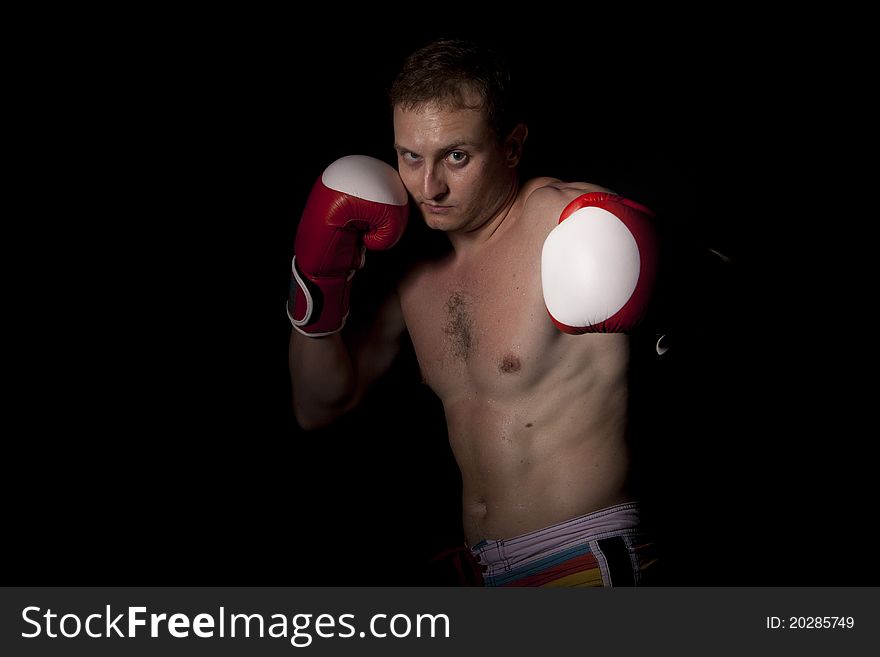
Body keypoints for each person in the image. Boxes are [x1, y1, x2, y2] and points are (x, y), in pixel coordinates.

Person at [287, 37, 664, 586]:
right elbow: (318, 407)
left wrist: (676, 270)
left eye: (456, 156)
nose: (428, 186)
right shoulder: (413, 268)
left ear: (511, 147)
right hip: (483, 574)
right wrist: (314, 289)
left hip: (582, 559)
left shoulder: (573, 224)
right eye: (410, 157)